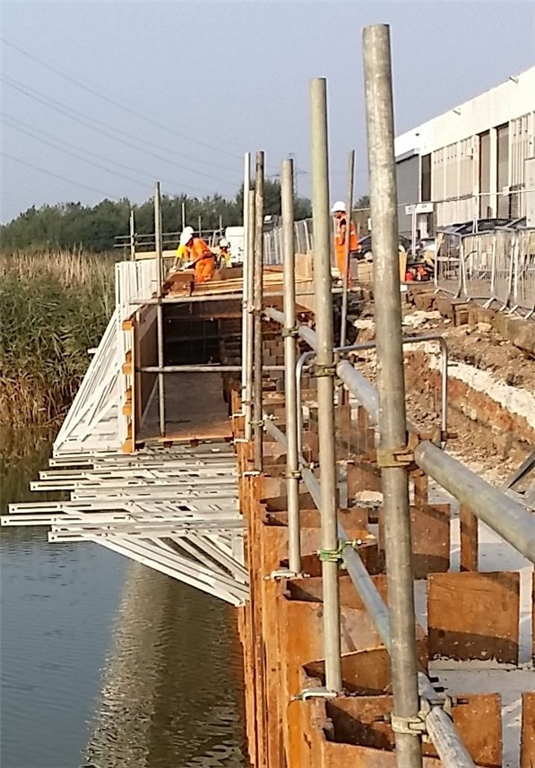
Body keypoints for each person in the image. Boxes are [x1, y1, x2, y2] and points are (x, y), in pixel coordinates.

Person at [331, 200, 358, 284]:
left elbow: (343, 232)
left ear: (340, 211)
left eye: (335, 212)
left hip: (343, 247)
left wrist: (340, 242)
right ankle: (347, 283)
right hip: (345, 247)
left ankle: (347, 284)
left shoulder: (343, 220)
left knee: (344, 267)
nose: (334, 214)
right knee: (345, 267)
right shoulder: (346, 219)